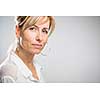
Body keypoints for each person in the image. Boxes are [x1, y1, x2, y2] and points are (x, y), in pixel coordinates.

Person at [0, 16, 55, 83]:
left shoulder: (36, 67)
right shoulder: (9, 75)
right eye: (32, 29)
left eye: (44, 31)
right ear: (18, 31)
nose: (40, 38)